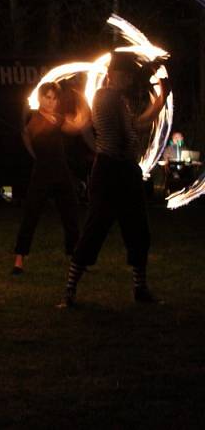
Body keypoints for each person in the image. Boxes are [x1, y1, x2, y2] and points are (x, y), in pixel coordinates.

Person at [58, 52, 170, 308]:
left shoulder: (119, 100)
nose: (129, 79)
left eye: (130, 75)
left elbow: (137, 125)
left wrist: (160, 99)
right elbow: (126, 132)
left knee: (138, 229)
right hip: (111, 171)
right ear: (110, 75)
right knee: (95, 229)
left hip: (124, 171)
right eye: (124, 74)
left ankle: (139, 289)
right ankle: (69, 292)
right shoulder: (106, 97)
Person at [12, 82, 90, 274]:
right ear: (40, 98)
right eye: (47, 97)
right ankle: (19, 261)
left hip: (62, 174)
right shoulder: (34, 119)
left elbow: (77, 127)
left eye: (54, 98)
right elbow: (31, 135)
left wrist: (84, 102)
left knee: (71, 216)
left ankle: (75, 258)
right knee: (31, 216)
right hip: (42, 175)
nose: (51, 101)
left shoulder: (59, 118)